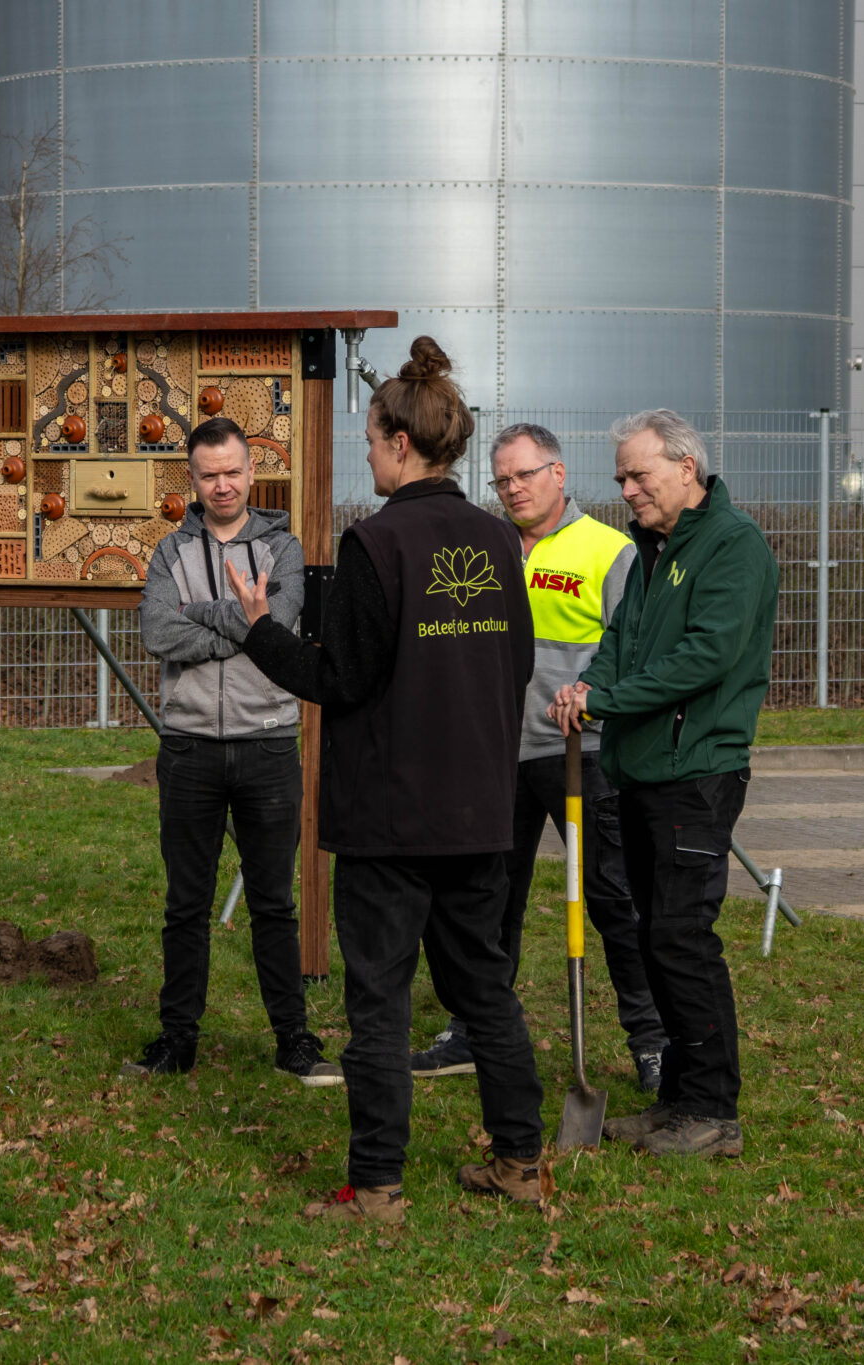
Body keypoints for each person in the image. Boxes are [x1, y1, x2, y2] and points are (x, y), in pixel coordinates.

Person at [227, 336, 545, 1225]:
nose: (366, 455)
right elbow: (517, 663)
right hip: (479, 811)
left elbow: (341, 676)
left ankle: (375, 1187)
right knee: (486, 991)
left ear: (402, 444)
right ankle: (521, 1160)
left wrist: (260, 629)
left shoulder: (376, 543)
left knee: (378, 1003)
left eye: (370, 440)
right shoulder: (500, 538)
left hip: (390, 820)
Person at [549, 409, 779, 1159]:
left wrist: (607, 701)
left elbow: (707, 655)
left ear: (686, 467)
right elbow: (620, 641)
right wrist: (589, 688)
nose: (626, 489)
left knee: (682, 938)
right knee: (654, 936)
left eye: (638, 475)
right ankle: (678, 1098)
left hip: (697, 773)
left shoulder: (733, 546)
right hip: (642, 770)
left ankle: (714, 1109)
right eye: (621, 477)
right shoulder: (652, 549)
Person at [412, 423, 668, 1091]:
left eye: (524, 474)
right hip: (495, 756)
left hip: (582, 753)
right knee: (488, 901)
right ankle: (474, 1029)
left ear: (558, 473)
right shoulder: (485, 548)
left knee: (613, 899)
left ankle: (652, 1039)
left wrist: (595, 701)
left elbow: (633, 651)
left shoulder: (610, 551)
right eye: (501, 479)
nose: (512, 489)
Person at [130, 416, 339, 1087]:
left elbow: (280, 620)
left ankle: (293, 1039)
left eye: (232, 472)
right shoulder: (170, 552)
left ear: (252, 473)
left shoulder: (284, 547)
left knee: (273, 903)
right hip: (188, 747)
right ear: (191, 479)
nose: (221, 485)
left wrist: (205, 615)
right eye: (208, 475)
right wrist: (244, 622)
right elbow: (158, 633)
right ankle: (178, 1039)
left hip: (268, 744)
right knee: (185, 904)